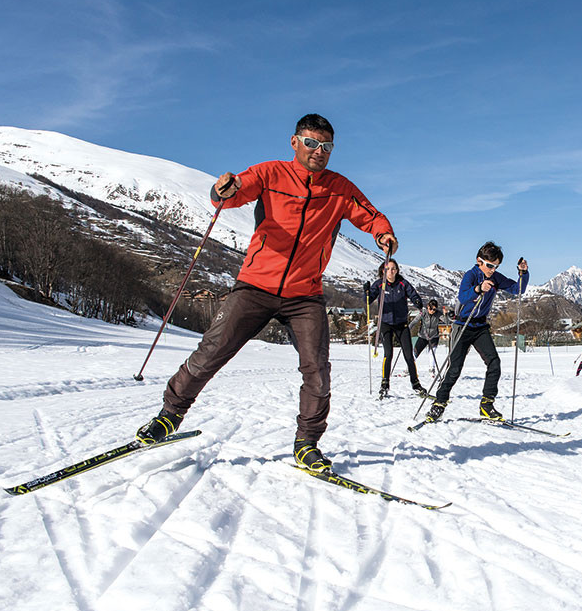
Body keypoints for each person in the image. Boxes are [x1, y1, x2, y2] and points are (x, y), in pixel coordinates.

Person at [135, 114, 397, 473]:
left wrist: (383, 234)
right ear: (295, 142)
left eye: (326, 146)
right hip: (255, 286)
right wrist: (221, 189)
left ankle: (307, 443)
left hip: (305, 295)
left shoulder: (340, 188)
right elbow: (231, 194)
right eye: (311, 143)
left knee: (317, 370)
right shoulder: (271, 174)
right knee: (211, 352)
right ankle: (168, 416)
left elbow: (370, 215)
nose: (318, 152)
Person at [423, 242, 528, 422]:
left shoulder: (496, 278)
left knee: (494, 363)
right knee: (454, 368)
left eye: (496, 266)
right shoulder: (471, 275)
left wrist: (523, 273)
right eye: (489, 265)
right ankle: (439, 403)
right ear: (479, 261)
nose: (492, 270)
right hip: (462, 325)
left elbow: (517, 289)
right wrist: (478, 289)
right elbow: (463, 296)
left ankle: (486, 405)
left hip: (480, 327)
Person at [365, 259, 426, 398]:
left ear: (397, 270)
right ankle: (385, 384)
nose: (391, 272)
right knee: (388, 354)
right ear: (383, 271)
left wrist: (417, 301)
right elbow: (368, 300)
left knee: (408, 355)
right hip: (385, 323)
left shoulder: (403, 283)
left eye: (393, 269)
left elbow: (413, 294)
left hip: (401, 323)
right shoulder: (379, 284)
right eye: (388, 269)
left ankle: (415, 383)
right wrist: (367, 292)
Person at [412, 300, 449, 375]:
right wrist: (407, 329)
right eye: (431, 309)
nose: (432, 311)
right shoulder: (423, 313)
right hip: (423, 336)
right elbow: (415, 321)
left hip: (433, 336)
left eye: (434, 309)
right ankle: (409, 368)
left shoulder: (438, 314)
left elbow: (447, 322)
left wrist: (446, 315)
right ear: (428, 307)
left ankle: (432, 369)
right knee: (415, 352)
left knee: (432, 353)